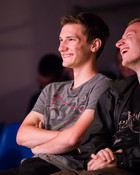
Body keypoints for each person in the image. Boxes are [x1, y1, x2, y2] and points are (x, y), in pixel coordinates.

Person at [53, 14, 140, 175]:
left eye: (129, 36)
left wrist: (120, 159)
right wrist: (97, 155)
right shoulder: (117, 91)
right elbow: (93, 137)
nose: (118, 43)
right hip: (105, 166)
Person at [0, 12, 112, 175]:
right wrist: (65, 137)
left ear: (94, 45)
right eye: (61, 40)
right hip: (32, 164)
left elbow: (74, 138)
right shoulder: (51, 89)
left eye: (71, 40)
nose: (61, 47)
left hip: (62, 168)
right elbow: (22, 136)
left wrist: (38, 145)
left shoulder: (103, 85)